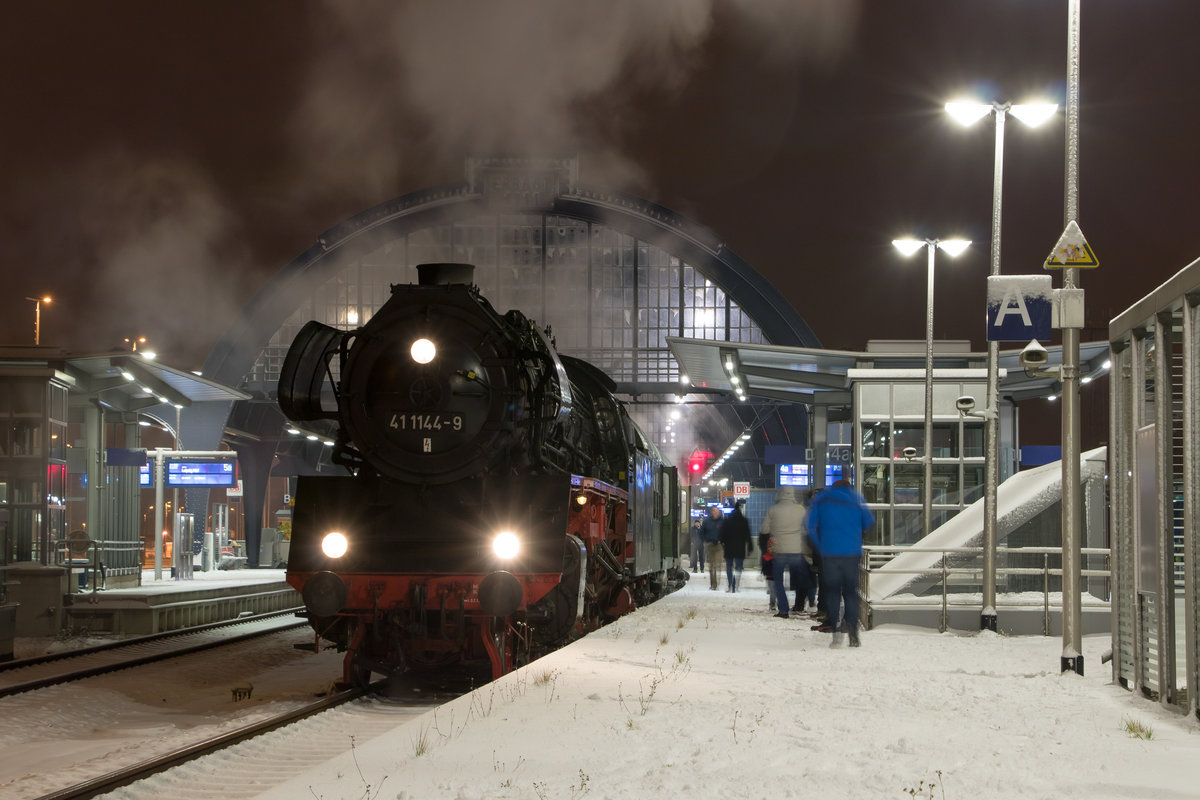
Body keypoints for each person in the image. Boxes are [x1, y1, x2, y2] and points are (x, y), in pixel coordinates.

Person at [806, 477, 874, 648]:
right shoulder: (856, 498)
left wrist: (820, 544)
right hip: (851, 553)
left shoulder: (823, 499)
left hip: (830, 553)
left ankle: (834, 630)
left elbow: (809, 525)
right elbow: (869, 522)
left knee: (833, 591)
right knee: (851, 592)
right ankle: (852, 630)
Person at [760, 486, 813, 618]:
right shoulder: (801, 510)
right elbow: (807, 528)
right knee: (802, 578)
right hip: (796, 550)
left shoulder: (773, 510)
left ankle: (783, 610)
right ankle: (804, 602)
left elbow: (764, 530)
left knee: (778, 580)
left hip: (779, 551)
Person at [719, 500, 753, 592]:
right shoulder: (744, 521)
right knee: (738, 567)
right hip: (740, 548)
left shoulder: (727, 520)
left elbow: (722, 534)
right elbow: (748, 535)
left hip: (729, 547)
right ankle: (736, 585)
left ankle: (730, 585)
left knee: (729, 566)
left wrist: (722, 543)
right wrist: (750, 547)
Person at [699, 505, 724, 590]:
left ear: (719, 512)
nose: (715, 512)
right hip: (710, 545)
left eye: (716, 511)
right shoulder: (707, 522)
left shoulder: (722, 521)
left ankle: (716, 583)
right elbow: (701, 532)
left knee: (717, 565)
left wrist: (723, 541)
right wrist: (704, 540)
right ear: (712, 512)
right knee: (711, 566)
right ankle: (713, 584)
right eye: (714, 511)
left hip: (719, 545)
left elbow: (725, 532)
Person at [759, 528, 776, 611]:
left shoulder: (766, 557)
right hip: (773, 575)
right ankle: (773, 603)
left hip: (770, 575)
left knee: (772, 590)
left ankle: (772, 603)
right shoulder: (778, 558)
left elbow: (764, 566)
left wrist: (763, 571)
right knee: (774, 590)